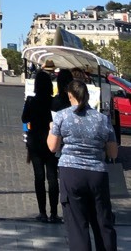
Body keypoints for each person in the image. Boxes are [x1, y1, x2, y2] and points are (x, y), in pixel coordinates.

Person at [47, 79, 118, 251]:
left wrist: (51, 129)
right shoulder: (102, 119)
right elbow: (113, 153)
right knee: (103, 223)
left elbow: (52, 147)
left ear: (69, 95)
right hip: (96, 174)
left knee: (77, 226)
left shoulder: (61, 116)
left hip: (70, 173)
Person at [21, 71, 60, 223]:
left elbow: (24, 118)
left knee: (39, 177)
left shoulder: (31, 101)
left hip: (35, 141)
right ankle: (54, 213)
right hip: (50, 141)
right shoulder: (53, 102)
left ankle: (42, 212)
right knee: (52, 177)